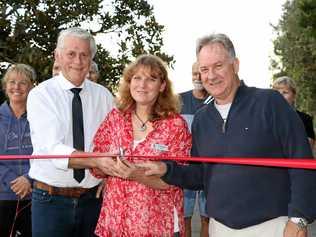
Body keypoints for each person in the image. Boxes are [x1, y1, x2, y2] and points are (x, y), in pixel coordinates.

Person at [139, 33, 316, 237]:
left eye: (218, 66)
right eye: (204, 69)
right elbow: (199, 176)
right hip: (219, 228)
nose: (211, 75)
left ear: (235, 65)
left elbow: (302, 161)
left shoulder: (270, 103)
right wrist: (165, 168)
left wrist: (299, 218)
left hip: (275, 226)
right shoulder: (202, 119)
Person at [27, 27, 115, 237]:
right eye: (71, 54)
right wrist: (98, 161)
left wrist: (109, 176)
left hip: (93, 200)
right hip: (50, 202)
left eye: (84, 55)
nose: (78, 60)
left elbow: (115, 140)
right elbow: (53, 151)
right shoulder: (41, 95)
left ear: (91, 59)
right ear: (58, 55)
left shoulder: (104, 96)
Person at [90, 54, 191, 236]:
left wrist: (135, 175)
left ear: (162, 86)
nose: (142, 85)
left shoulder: (175, 125)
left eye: (151, 79)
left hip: (157, 225)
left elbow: (177, 180)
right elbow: (96, 163)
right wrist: (102, 164)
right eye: (137, 78)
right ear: (129, 83)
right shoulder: (115, 118)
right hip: (115, 222)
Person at [0, 63, 35, 237]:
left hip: (35, 196)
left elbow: (46, 153)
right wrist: (14, 181)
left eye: (23, 83)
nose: (17, 87)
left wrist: (29, 179)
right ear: (5, 86)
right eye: (12, 82)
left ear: (31, 87)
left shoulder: (40, 117)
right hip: (3, 195)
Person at [180, 62, 209, 237]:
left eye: (201, 72)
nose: (197, 77)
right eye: (194, 73)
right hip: (185, 170)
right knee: (184, 218)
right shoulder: (179, 100)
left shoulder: (217, 100)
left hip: (209, 170)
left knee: (208, 218)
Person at [272, 76, 315, 149]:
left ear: (294, 95)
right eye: (277, 93)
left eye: (285, 92)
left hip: (295, 160)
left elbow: (308, 146)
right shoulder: (268, 118)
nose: (280, 96)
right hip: (273, 160)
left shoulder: (305, 118)